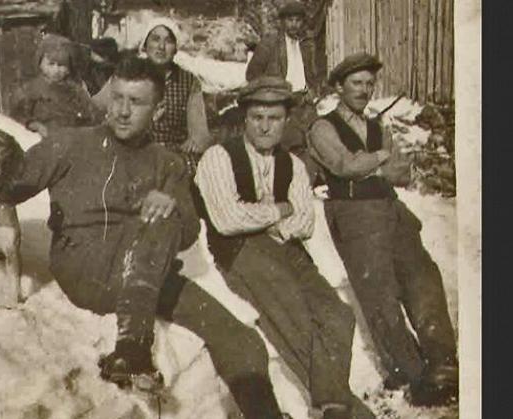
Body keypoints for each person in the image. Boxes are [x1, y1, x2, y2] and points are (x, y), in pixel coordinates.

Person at [1, 56, 291, 419]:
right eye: (117, 98)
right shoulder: (70, 144)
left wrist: (170, 202)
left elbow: (188, 231)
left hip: (146, 273)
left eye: (135, 102)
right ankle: (133, 346)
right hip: (88, 267)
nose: (122, 111)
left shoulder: (166, 162)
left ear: (157, 110)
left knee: (241, 339)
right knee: (160, 222)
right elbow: (9, 184)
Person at [194, 76, 374, 419]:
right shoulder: (219, 157)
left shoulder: (291, 164)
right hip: (240, 253)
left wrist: (270, 221)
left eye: (273, 119)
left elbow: (304, 223)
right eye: (257, 118)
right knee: (291, 309)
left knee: (338, 313)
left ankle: (334, 401)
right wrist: (278, 211)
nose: (265, 127)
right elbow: (227, 220)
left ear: (285, 121)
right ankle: (339, 406)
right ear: (244, 119)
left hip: (287, 248)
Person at [306, 52, 459, 407]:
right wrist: (379, 160)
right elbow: (343, 165)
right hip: (355, 212)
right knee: (379, 292)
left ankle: (444, 365)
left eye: (369, 84)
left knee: (423, 276)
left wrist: (374, 166)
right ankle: (413, 373)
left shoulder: (378, 125)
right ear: (340, 87)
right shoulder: (322, 126)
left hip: (392, 209)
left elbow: (402, 172)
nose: (363, 90)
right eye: (355, 83)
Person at [93, 18, 212, 175]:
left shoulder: (188, 81)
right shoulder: (128, 72)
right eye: (155, 39)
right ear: (145, 45)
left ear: (176, 48)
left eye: (168, 41)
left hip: (170, 154)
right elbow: (95, 108)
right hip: (131, 150)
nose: (161, 47)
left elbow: (199, 135)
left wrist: (194, 142)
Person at [245, 1, 322, 154]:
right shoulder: (269, 43)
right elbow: (252, 75)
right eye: (290, 20)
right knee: (288, 145)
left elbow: (313, 74)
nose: (294, 24)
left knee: (318, 141)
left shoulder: (307, 45)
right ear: (282, 21)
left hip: (304, 103)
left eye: (298, 20)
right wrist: (270, 93)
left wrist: (313, 90)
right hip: (280, 102)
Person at [9, 33, 106, 137]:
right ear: (40, 63)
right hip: (43, 139)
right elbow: (18, 117)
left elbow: (93, 114)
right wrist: (35, 125)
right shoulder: (31, 90)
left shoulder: (75, 90)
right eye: (51, 64)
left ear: (69, 68)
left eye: (61, 65)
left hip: (74, 138)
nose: (56, 70)